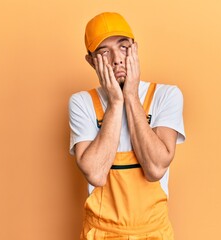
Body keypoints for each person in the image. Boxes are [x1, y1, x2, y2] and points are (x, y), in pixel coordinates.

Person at [69, 12, 186, 240]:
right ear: (91, 60)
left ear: (135, 48)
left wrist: (131, 96)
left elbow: (155, 168)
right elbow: (96, 173)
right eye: (104, 52)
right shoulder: (82, 103)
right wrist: (115, 103)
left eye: (123, 47)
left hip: (154, 233)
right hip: (101, 233)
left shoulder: (165, 95)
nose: (117, 59)